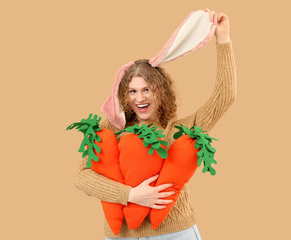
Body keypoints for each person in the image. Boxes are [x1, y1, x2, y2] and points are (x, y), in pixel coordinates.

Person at [75, 8, 236, 240]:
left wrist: (223, 38)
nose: (139, 98)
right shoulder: (111, 128)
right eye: (132, 91)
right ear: (124, 96)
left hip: (174, 233)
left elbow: (225, 96)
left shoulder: (180, 130)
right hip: (120, 234)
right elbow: (82, 176)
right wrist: (130, 194)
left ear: (161, 92)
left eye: (147, 90)